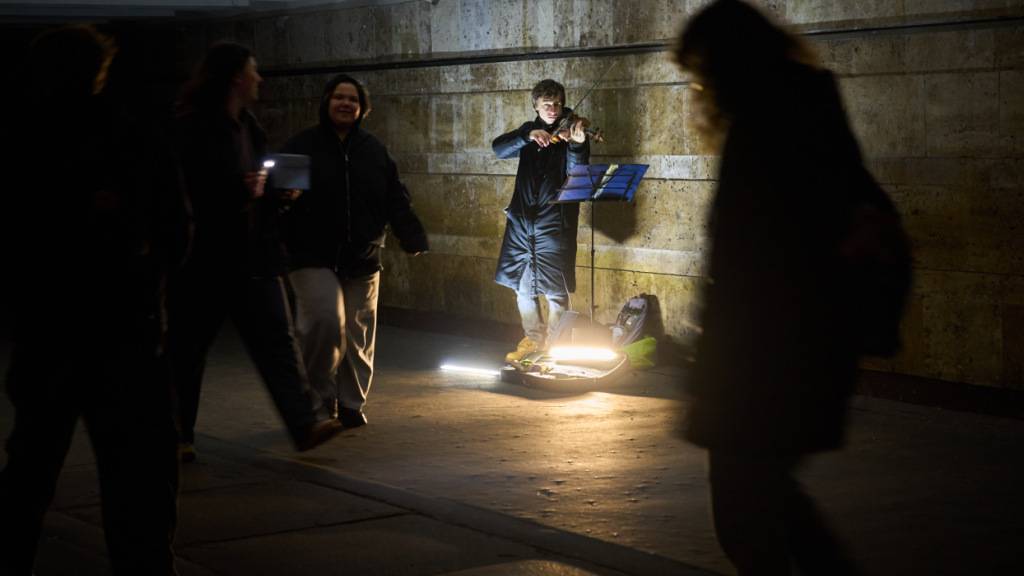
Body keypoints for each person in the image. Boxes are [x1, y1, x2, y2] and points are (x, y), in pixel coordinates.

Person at [674, 1, 872, 574]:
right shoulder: (797, 108)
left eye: (703, 73)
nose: (701, 89)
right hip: (790, 351)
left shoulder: (773, 121)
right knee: (771, 504)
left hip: (770, 356)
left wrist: (715, 351)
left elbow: (752, 255)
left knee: (746, 515)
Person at [0, 25, 181, 574]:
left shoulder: (17, 140)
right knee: (137, 479)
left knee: (29, 470)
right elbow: (176, 233)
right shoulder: (133, 134)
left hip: (44, 331)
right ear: (101, 70)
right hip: (123, 329)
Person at [168, 42, 342, 461]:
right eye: (254, 70)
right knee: (187, 351)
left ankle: (304, 425)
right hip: (206, 259)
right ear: (235, 77)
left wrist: (278, 195)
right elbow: (180, 187)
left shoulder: (248, 125)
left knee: (278, 342)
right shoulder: (192, 127)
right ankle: (176, 435)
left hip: (252, 256)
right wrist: (234, 189)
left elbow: (258, 184)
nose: (261, 78)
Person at [279, 74, 428, 428]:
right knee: (323, 323)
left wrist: (412, 236)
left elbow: (395, 198)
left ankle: (350, 403)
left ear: (362, 108)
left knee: (358, 334)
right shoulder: (302, 145)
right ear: (326, 102)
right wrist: (283, 199)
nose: (346, 104)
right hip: (310, 254)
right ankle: (319, 398)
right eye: (339, 97)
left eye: (353, 100)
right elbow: (280, 196)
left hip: (362, 255)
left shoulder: (374, 151)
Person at [492, 79, 591, 363]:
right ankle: (534, 341)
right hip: (522, 222)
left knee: (555, 291)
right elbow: (499, 149)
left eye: (557, 103)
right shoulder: (528, 132)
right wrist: (526, 136)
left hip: (554, 223)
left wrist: (577, 146)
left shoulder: (571, 132)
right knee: (523, 287)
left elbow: (577, 174)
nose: (553, 109)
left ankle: (555, 346)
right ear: (535, 105)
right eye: (546, 104)